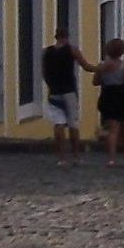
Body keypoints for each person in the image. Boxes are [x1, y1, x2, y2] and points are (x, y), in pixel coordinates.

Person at [41, 27, 96, 166]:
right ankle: (76, 156)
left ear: (55, 36)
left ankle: (61, 158)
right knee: (73, 124)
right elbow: (86, 66)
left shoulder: (47, 52)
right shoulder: (72, 50)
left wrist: (50, 85)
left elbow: (44, 72)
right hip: (69, 91)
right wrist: (100, 69)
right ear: (67, 36)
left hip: (54, 91)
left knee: (58, 124)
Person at [94, 38, 124, 168]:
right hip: (123, 95)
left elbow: (95, 82)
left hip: (108, 95)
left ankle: (111, 159)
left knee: (112, 130)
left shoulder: (102, 65)